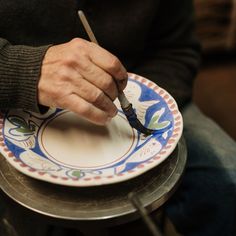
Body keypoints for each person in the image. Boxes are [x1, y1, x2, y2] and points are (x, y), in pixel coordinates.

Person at [0, 0, 235, 235]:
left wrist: (141, 102)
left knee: (227, 185)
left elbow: (176, 50)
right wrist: (26, 70)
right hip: (13, 102)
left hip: (137, 91)